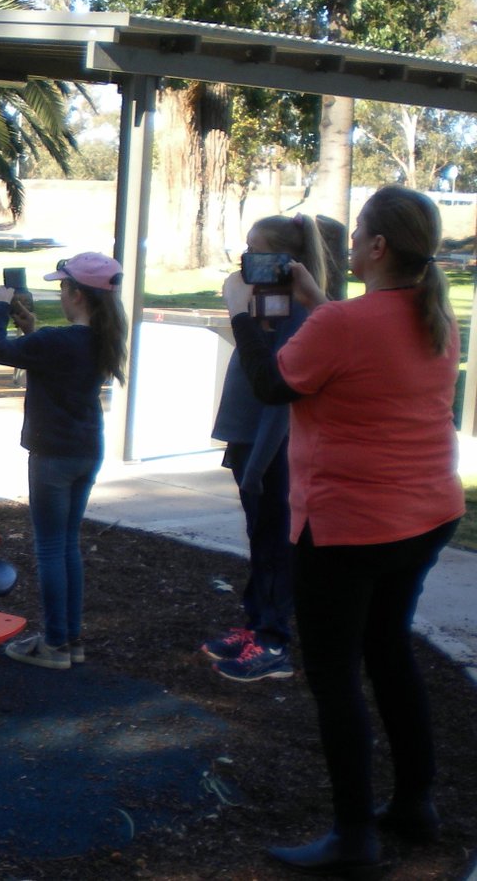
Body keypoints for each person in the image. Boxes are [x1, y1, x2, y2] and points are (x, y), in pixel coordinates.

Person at [221, 185, 464, 876]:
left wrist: (243, 314)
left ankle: (353, 835)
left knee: (334, 678)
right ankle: (415, 806)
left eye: (358, 233)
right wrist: (315, 298)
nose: (350, 242)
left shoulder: (345, 325)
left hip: (348, 527)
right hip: (424, 517)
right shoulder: (432, 317)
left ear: (378, 247)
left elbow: (274, 386)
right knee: (389, 653)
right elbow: (361, 344)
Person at [0, 252, 128, 669]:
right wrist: (31, 329)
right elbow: (52, 354)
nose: (60, 295)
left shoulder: (57, 342)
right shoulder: (102, 337)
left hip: (52, 455)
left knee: (49, 548)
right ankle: (69, 640)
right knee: (68, 546)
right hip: (86, 450)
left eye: (63, 288)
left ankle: (53, 645)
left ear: (78, 295)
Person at [203, 214, 329, 683]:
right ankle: (256, 623)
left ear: (283, 261)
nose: (243, 260)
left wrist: (257, 464)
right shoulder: (265, 306)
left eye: (254, 251)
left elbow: (282, 398)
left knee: (275, 541)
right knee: (260, 537)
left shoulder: (297, 313)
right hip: (248, 442)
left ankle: (274, 640)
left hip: (270, 450)